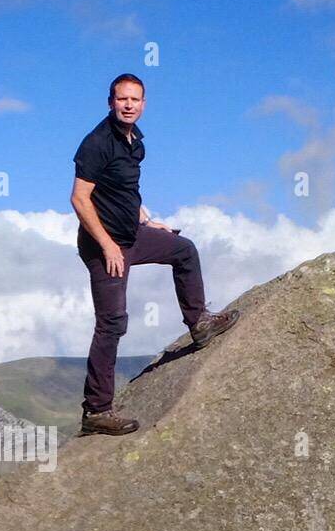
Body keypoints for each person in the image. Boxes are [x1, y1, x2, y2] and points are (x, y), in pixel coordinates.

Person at [71, 73, 239, 436]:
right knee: (113, 322)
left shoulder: (136, 141)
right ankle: (96, 411)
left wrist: (147, 220)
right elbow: (80, 199)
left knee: (184, 250)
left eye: (135, 100)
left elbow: (125, 191)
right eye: (122, 99)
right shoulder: (96, 143)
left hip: (133, 234)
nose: (128, 105)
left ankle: (199, 324)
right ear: (110, 102)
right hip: (105, 246)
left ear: (143, 104)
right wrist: (107, 245)